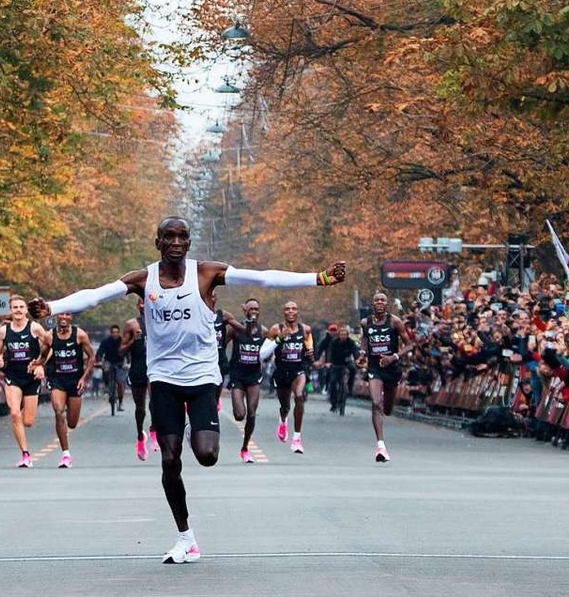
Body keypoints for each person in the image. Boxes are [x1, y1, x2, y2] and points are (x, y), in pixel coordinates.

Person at [29, 215, 344, 563]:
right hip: (163, 378)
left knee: (207, 455)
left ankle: (196, 424)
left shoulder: (206, 273)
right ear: (158, 242)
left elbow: (263, 278)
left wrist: (319, 278)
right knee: (169, 457)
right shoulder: (143, 279)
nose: (176, 242)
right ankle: (186, 537)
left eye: (182, 237)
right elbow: (94, 297)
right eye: (169, 237)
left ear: (189, 243)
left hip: (202, 378)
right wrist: (53, 307)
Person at [0, 295, 50, 468]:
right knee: (14, 413)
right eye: (15, 307)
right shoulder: (4, 331)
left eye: (21, 307)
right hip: (13, 376)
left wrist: (41, 365)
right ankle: (25, 454)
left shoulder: (35, 328)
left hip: (31, 377)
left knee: (28, 422)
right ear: (11, 310)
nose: (18, 310)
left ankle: (24, 409)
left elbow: (51, 347)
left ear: (26, 310)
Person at [359, 290, 412, 463]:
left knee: (387, 409)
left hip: (392, 368)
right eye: (377, 300)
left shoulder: (395, 322)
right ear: (373, 304)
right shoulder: (365, 322)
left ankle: (386, 409)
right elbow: (365, 340)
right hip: (375, 367)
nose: (380, 302)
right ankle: (381, 446)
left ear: (386, 303)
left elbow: (409, 345)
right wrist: (362, 353)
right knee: (375, 403)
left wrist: (393, 357)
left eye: (383, 300)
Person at [43, 312, 95, 468]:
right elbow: (43, 355)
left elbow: (92, 357)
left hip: (74, 380)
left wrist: (83, 378)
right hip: (57, 379)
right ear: (56, 317)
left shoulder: (79, 334)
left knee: (72, 423)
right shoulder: (49, 335)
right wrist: (37, 363)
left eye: (67, 315)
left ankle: (67, 432)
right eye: (61, 315)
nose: (63, 318)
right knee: (59, 412)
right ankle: (65, 454)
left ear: (71, 317)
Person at [266, 300, 314, 454]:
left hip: (298, 371)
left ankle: (297, 439)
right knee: (285, 406)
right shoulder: (275, 329)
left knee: (299, 396)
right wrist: (279, 338)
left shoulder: (305, 329)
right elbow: (265, 352)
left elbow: (309, 348)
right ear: (284, 312)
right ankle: (283, 419)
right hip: (281, 372)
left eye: (294, 308)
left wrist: (311, 354)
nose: (291, 311)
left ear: (297, 311)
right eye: (288, 309)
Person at [228, 297, 267, 462]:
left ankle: (245, 448)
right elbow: (219, 345)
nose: (254, 312)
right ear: (245, 310)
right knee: (239, 415)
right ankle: (236, 408)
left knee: (251, 413)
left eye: (256, 309)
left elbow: (272, 347)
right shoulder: (236, 329)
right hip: (237, 375)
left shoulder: (263, 331)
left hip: (253, 376)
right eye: (251, 309)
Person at [120, 299, 159, 460]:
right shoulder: (131, 325)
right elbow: (121, 351)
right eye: (141, 303)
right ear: (138, 305)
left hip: (156, 367)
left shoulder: (160, 320)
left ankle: (154, 431)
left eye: (146, 302)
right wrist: (132, 341)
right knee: (140, 408)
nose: (144, 305)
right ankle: (140, 437)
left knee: (155, 401)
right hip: (138, 368)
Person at [317, 325, 360, 413]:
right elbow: (330, 352)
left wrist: (357, 359)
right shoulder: (333, 342)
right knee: (332, 381)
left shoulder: (351, 342)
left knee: (353, 369)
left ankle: (350, 386)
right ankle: (333, 403)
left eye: (345, 334)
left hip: (346, 362)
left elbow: (355, 352)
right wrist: (328, 362)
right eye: (341, 334)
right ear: (339, 335)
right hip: (335, 363)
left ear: (347, 335)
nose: (343, 336)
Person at [96, 324, 127, 411]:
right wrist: (98, 360)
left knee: (120, 383)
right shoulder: (105, 341)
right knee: (105, 369)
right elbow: (100, 352)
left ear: (119, 332)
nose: (115, 334)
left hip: (120, 363)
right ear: (111, 333)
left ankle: (120, 403)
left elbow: (127, 352)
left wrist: (128, 362)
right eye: (113, 332)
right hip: (108, 362)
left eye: (116, 332)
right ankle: (106, 386)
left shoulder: (122, 341)